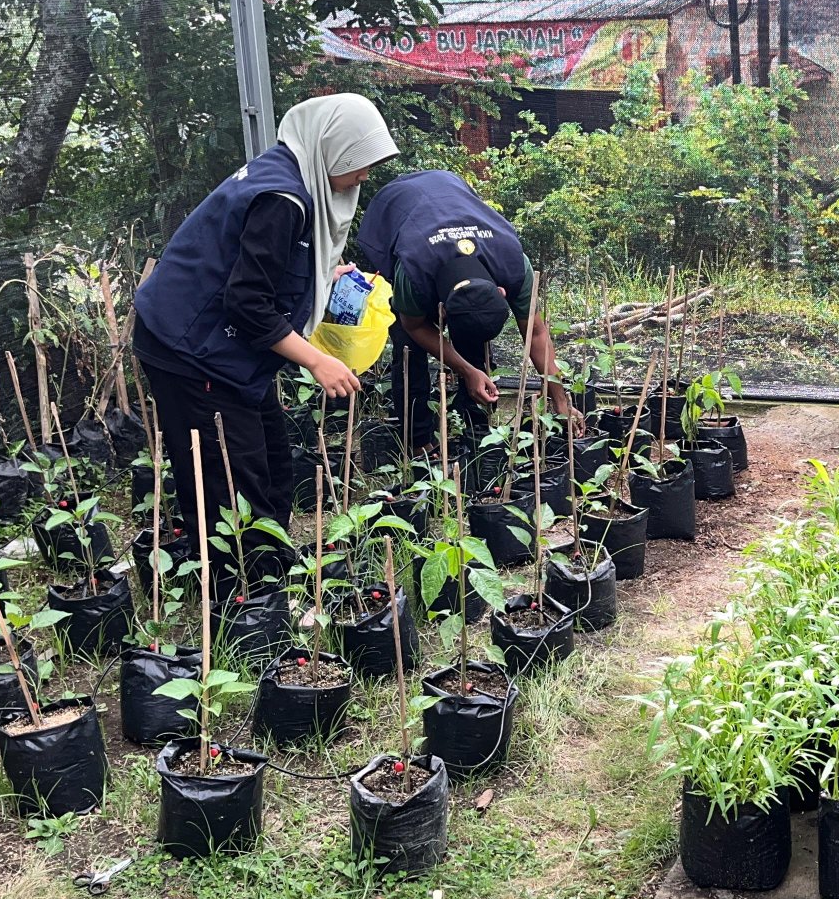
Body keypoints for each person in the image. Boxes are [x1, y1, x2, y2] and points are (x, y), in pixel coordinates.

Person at [133, 93, 396, 554]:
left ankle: (267, 575)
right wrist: (318, 362)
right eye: (359, 163)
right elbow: (247, 302)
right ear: (331, 149)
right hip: (190, 350)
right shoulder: (283, 198)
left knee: (273, 458)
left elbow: (262, 264)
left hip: (219, 344)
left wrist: (322, 276)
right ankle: (242, 599)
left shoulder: (292, 175)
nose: (364, 176)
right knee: (230, 476)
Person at [354, 169, 580, 452]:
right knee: (408, 350)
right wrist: (463, 368)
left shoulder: (513, 264)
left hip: (450, 191)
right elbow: (414, 326)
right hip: (394, 208)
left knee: (474, 344)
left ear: (501, 291)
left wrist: (560, 400)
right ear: (441, 311)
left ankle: (476, 433)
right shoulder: (412, 274)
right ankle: (418, 441)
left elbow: (535, 334)